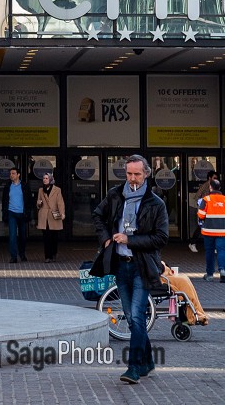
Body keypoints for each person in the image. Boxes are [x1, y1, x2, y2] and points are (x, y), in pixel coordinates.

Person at [92, 153, 169, 386]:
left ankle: (134, 367)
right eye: (128, 174)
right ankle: (148, 363)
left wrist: (130, 240)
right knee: (133, 318)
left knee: (136, 316)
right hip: (120, 265)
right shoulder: (115, 195)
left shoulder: (156, 203)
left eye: (137, 174)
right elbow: (98, 216)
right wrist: (106, 238)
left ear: (146, 174)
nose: (132, 178)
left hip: (141, 267)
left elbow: (161, 238)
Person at [197, 175, 225, 282]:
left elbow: (201, 215)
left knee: (209, 252)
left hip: (208, 231)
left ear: (210, 188)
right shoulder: (224, 199)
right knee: (222, 250)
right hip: (222, 231)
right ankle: (222, 270)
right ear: (219, 188)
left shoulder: (206, 199)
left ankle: (210, 274)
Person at [36, 171, 66, 261]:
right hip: (44, 215)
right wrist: (39, 203)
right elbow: (38, 203)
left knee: (54, 236)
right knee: (46, 237)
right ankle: (47, 256)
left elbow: (60, 202)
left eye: (46, 178)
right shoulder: (41, 190)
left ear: (50, 179)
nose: (44, 180)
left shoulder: (57, 189)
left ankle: (54, 253)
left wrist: (62, 213)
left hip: (54, 214)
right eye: (43, 178)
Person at [1, 166, 29, 263]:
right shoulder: (8, 186)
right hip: (11, 213)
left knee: (22, 236)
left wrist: (28, 212)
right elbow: (4, 200)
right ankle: (13, 256)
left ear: (18, 175)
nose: (11, 175)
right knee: (12, 235)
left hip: (22, 213)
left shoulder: (24, 186)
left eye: (13, 173)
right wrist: (4, 212)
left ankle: (22, 254)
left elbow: (28, 200)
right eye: (10, 174)